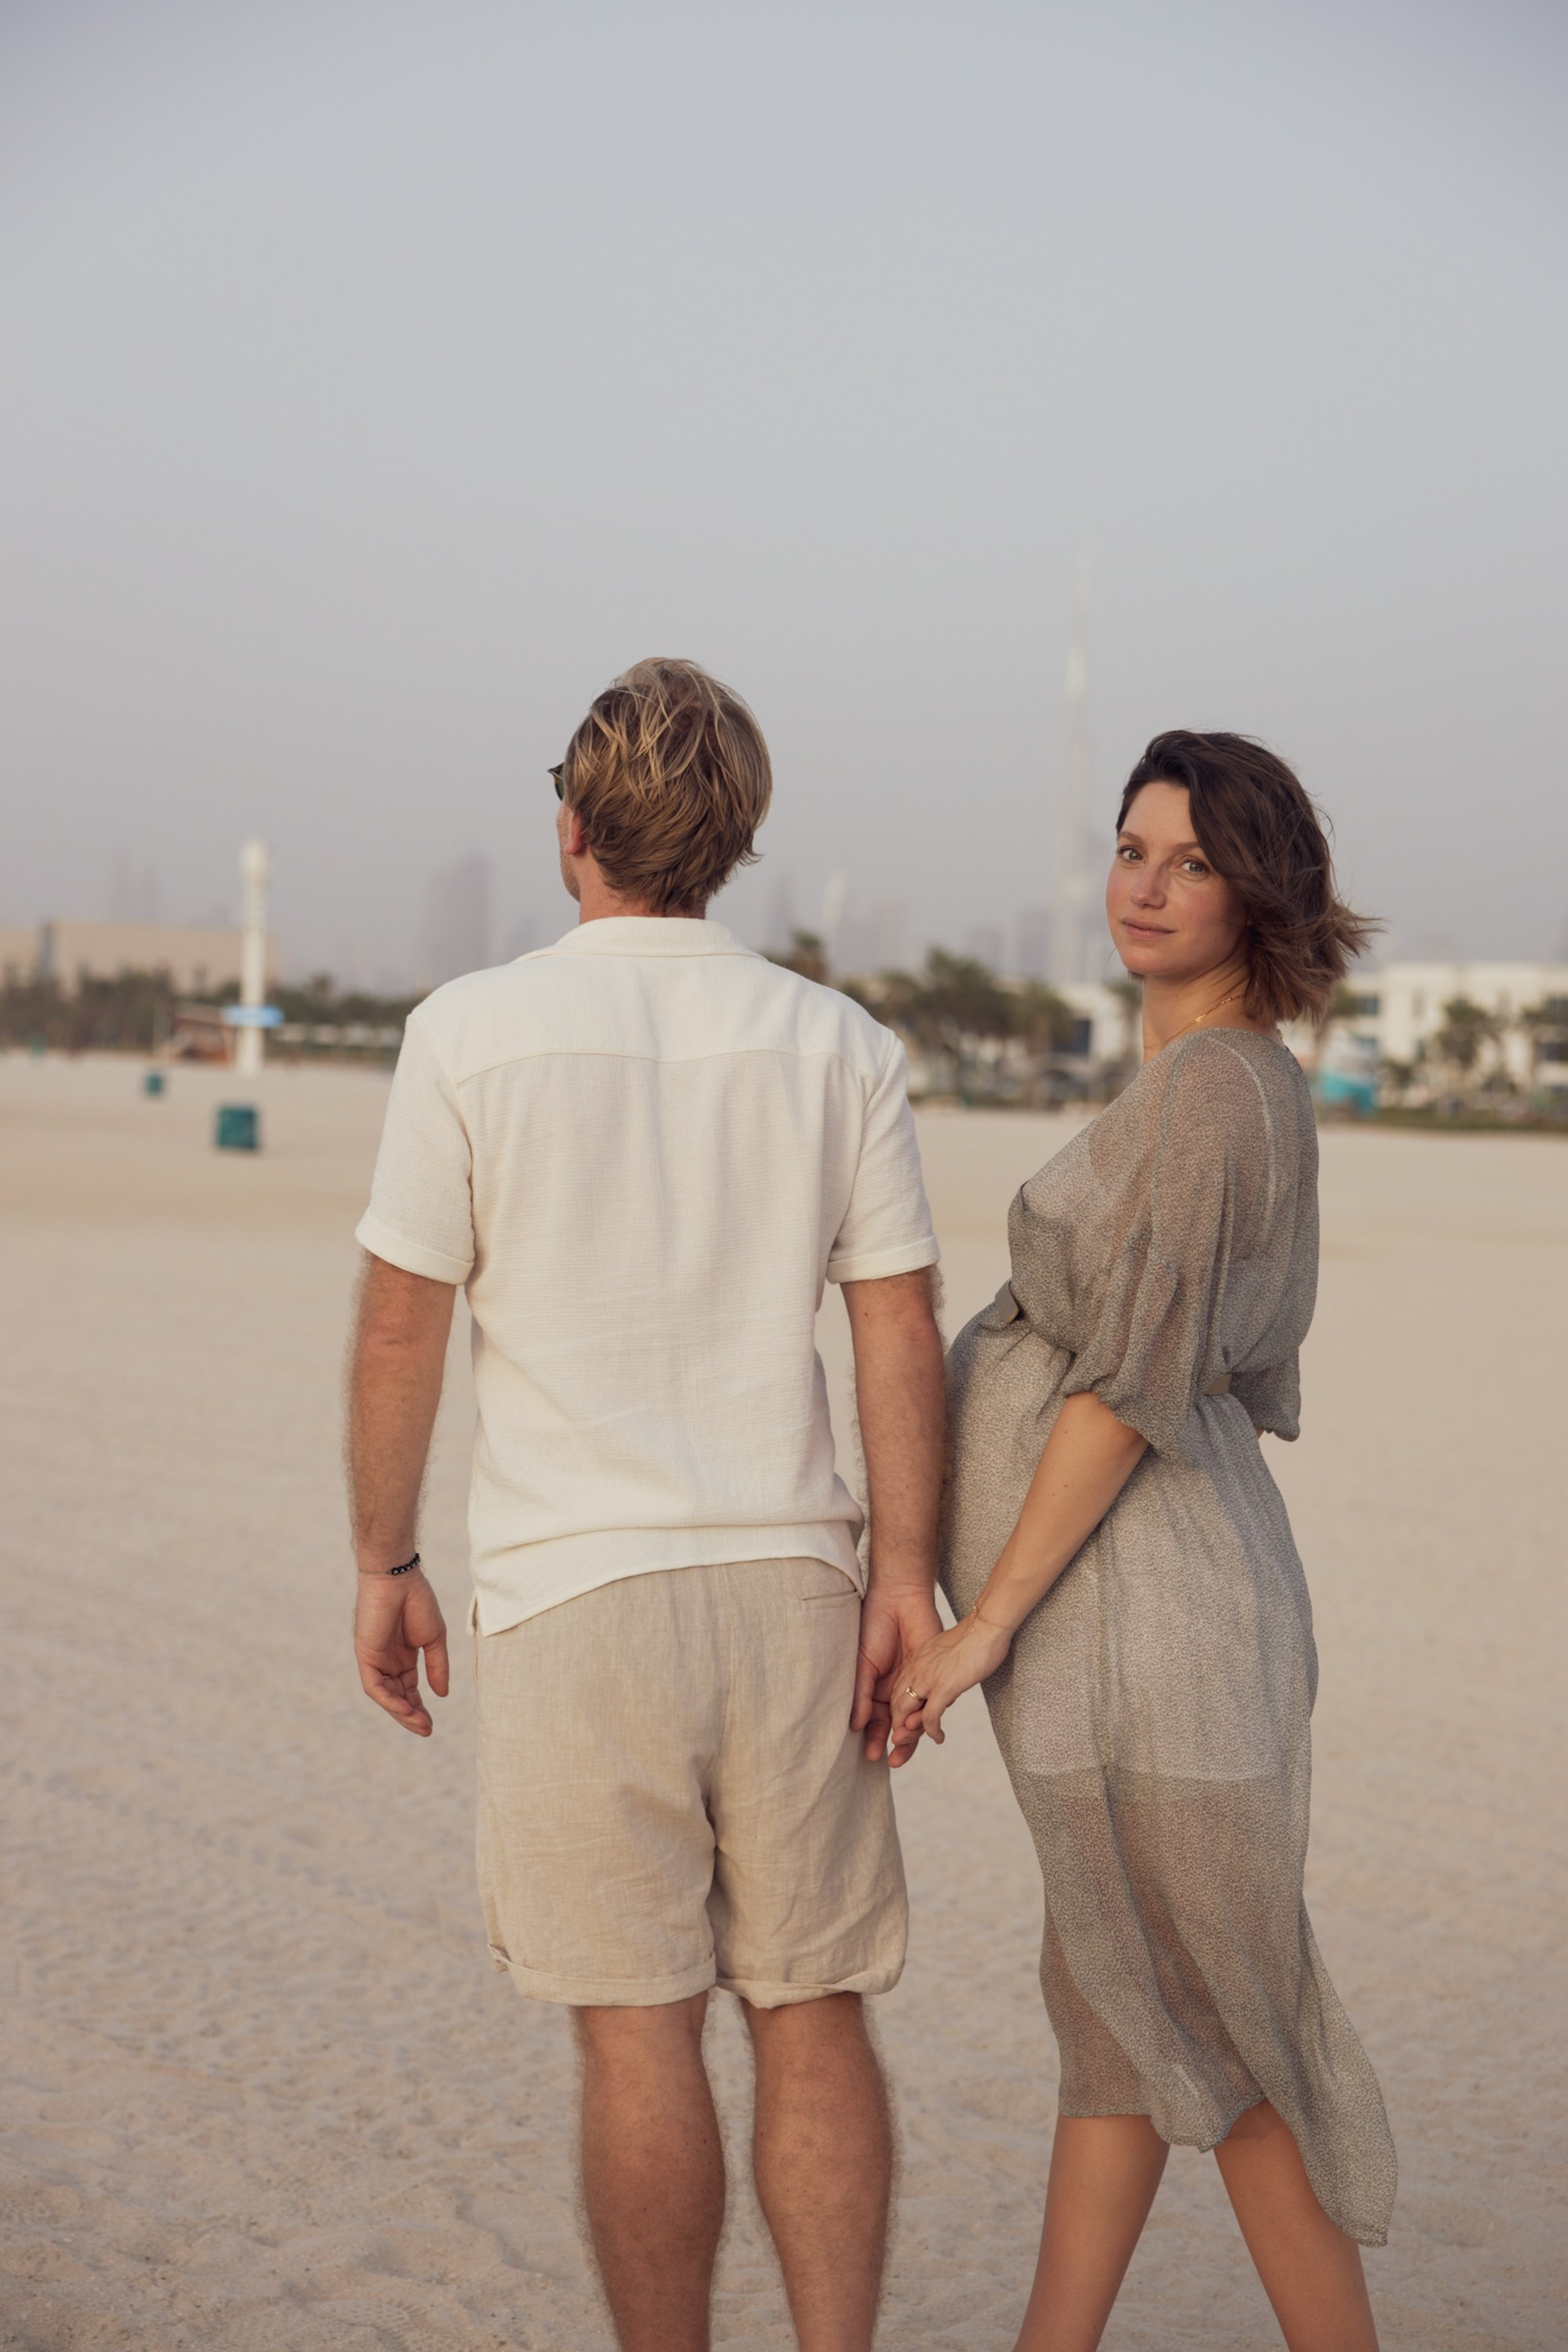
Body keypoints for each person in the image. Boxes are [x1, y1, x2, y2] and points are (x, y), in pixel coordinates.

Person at [345, 657, 946, 2352]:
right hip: (795, 1585)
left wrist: (386, 1558)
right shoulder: (838, 1042)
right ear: (735, 840)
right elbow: (891, 1320)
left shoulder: (468, 1032)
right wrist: (909, 1575)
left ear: (569, 832)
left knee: (635, 2034)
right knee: (811, 2016)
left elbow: (406, 1320)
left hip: (572, 1595)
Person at [891, 731, 1397, 2352]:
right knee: (1119, 2021)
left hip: (1150, 1635)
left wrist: (980, 1627)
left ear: (1259, 891)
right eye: (1129, 849)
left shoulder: (1212, 1092)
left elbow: (1124, 1395)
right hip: (1125, 1629)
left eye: (1188, 860)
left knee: (1227, 2031)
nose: (1146, 886)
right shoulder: (1216, 1081)